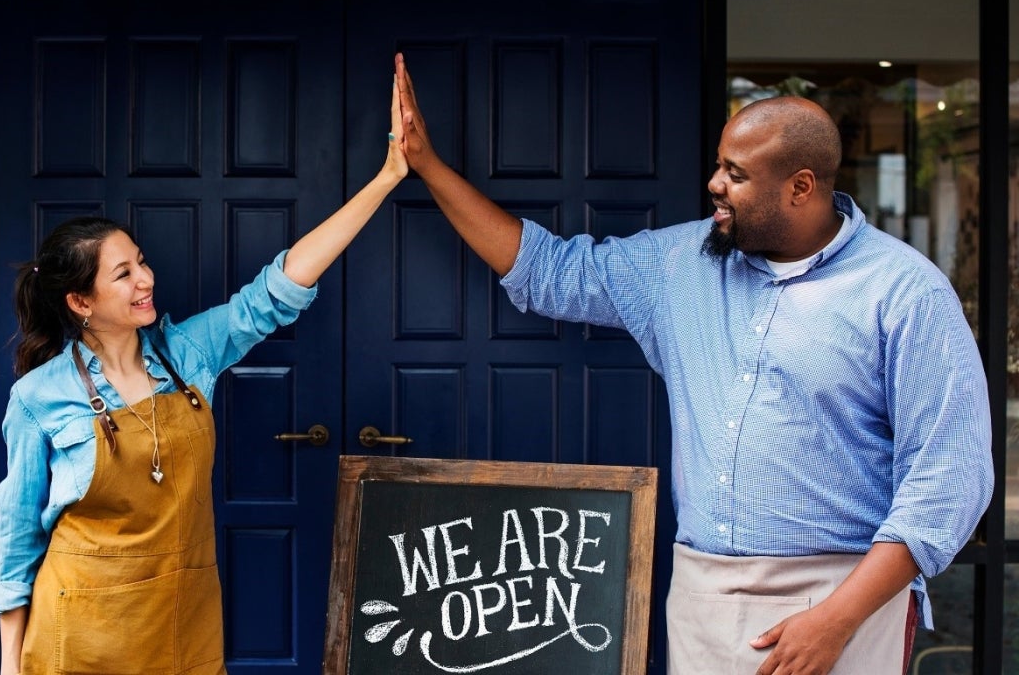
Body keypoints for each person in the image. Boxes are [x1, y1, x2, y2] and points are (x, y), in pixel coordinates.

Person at [392, 52, 992, 675]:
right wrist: (428, 166)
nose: (714, 184)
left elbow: (948, 479)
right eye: (718, 165)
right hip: (703, 595)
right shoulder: (681, 265)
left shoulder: (903, 292)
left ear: (801, 186)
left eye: (735, 173)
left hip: (843, 599)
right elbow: (548, 271)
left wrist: (837, 619)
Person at [0, 79, 407, 674]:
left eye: (143, 262)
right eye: (124, 273)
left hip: (182, 623)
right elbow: (18, 546)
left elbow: (278, 290)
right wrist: (10, 665)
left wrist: (388, 177)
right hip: (79, 639)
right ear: (80, 302)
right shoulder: (37, 399)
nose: (146, 279)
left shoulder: (185, 354)